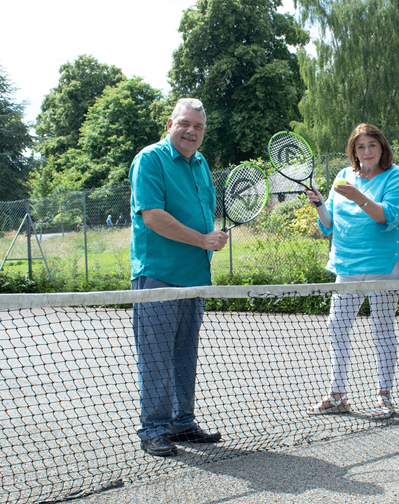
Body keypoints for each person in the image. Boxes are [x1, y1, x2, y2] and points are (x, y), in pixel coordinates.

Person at [129, 97, 229, 457]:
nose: (191, 131)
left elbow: (201, 215)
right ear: (170, 123)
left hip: (195, 277)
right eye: (185, 123)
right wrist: (203, 238)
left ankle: (181, 423)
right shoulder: (150, 159)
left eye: (198, 126)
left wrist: (213, 236)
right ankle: (153, 429)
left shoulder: (201, 164)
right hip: (157, 276)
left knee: (185, 355)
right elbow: (152, 216)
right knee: (156, 357)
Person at [304, 123, 399, 420]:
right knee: (337, 326)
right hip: (347, 264)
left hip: (384, 265)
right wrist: (320, 205)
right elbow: (330, 223)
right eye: (360, 147)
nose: (366, 152)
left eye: (372, 146)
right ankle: (337, 395)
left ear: (382, 148)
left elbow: (388, 216)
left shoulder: (396, 177)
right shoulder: (343, 176)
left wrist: (359, 197)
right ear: (353, 150)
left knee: (381, 329)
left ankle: (384, 397)